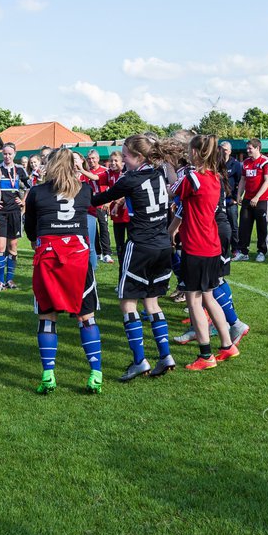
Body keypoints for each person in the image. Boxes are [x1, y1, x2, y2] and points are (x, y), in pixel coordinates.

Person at [91, 134, 177, 380]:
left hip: (140, 245)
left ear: (138, 157)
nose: (122, 160)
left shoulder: (131, 178)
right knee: (152, 302)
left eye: (125, 155)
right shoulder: (161, 173)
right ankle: (165, 355)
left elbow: (98, 199)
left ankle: (140, 360)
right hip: (162, 245)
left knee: (127, 303)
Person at [24, 149, 105, 394]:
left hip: (48, 257)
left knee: (47, 317)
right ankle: (96, 373)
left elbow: (30, 228)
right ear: (74, 166)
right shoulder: (85, 191)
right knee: (86, 316)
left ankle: (48, 374)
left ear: (50, 165)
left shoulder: (37, 192)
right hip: (78, 260)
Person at [167, 135, 240, 370]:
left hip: (195, 246)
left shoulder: (192, 178)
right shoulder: (215, 177)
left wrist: (170, 165)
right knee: (208, 296)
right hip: (211, 245)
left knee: (195, 300)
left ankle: (206, 355)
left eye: (190, 151)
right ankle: (228, 345)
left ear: (197, 152)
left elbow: (171, 191)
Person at [0, 142, 28, 291]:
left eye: (9, 154)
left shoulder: (20, 169)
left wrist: (23, 201)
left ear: (14, 154)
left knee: (13, 247)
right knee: (0, 247)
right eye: (4, 154)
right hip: (0, 212)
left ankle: (10, 280)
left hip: (14, 212)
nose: (7, 156)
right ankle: (0, 281)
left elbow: (29, 187)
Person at [237, 138, 268, 262]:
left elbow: (267, 180)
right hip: (247, 199)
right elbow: (243, 180)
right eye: (247, 148)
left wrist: (257, 196)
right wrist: (239, 195)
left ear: (257, 148)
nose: (248, 151)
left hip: (262, 199)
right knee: (244, 225)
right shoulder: (246, 162)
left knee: (262, 226)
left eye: (250, 148)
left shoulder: (266, 162)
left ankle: (262, 251)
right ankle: (243, 252)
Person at [81, 149, 113, 268]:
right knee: (93, 230)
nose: (91, 161)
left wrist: (109, 202)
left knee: (104, 227)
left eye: (93, 158)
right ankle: (98, 253)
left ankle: (107, 253)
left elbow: (112, 187)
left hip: (102, 203)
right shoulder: (85, 173)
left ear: (98, 159)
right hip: (90, 204)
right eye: (89, 159)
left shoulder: (105, 171)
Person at [220, 141, 244, 258]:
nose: (223, 151)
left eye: (225, 149)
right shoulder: (216, 163)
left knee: (233, 226)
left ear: (229, 151)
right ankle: (223, 249)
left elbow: (241, 182)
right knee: (219, 226)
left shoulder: (236, 164)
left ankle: (235, 249)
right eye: (221, 149)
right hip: (218, 202)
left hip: (231, 201)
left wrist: (235, 198)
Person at [106, 150, 130, 264]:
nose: (113, 163)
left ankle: (131, 266)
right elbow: (96, 178)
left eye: (116, 160)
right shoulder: (108, 173)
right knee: (119, 245)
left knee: (131, 242)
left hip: (129, 213)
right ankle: (122, 269)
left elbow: (129, 190)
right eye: (111, 160)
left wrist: (118, 202)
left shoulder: (127, 173)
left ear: (123, 162)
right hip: (117, 215)